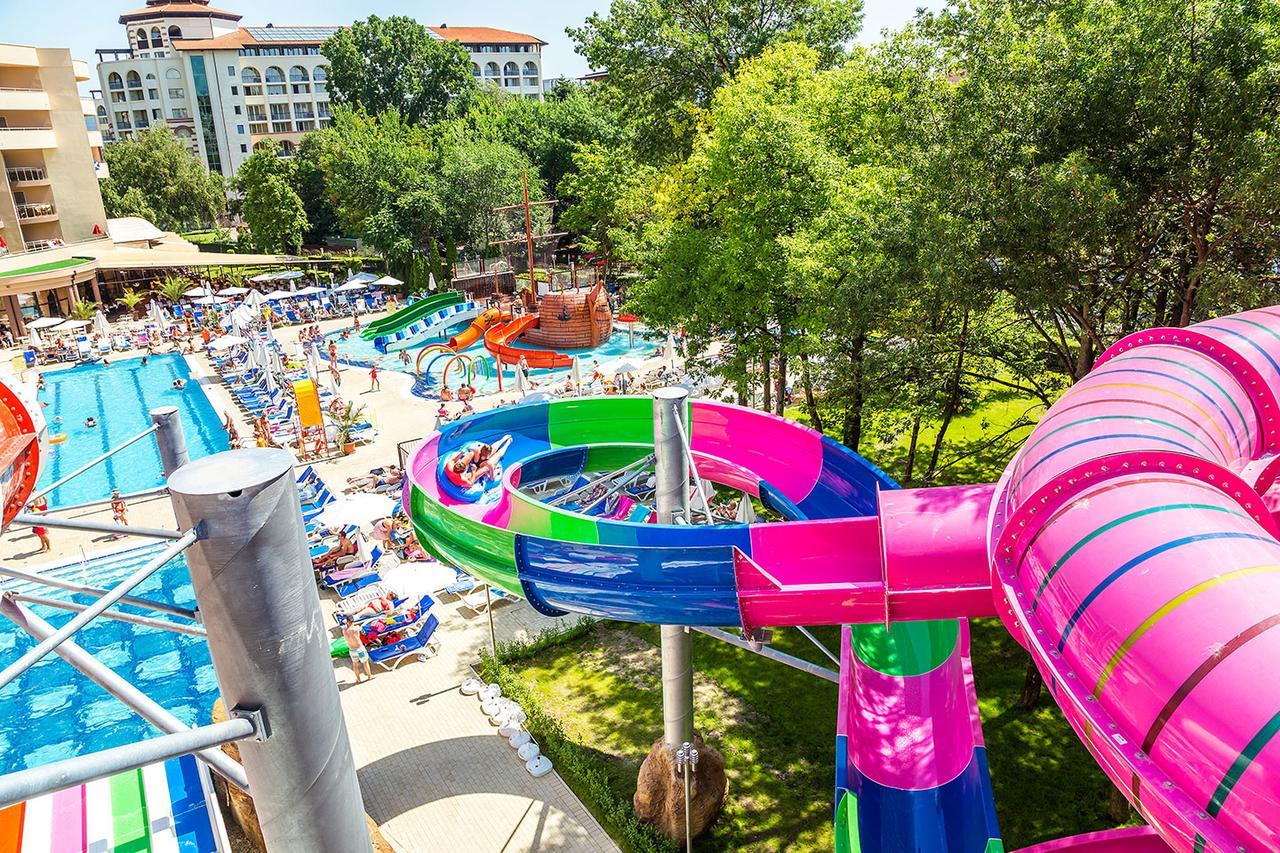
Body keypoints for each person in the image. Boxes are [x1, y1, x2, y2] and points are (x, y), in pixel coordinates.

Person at [343, 618, 372, 683]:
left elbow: (345, 625)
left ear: (347, 621)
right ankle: (369, 676)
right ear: (353, 621)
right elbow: (364, 633)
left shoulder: (344, 630)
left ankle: (358, 679)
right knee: (365, 663)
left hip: (352, 650)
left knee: (355, 665)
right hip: (359, 649)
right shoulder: (356, 628)